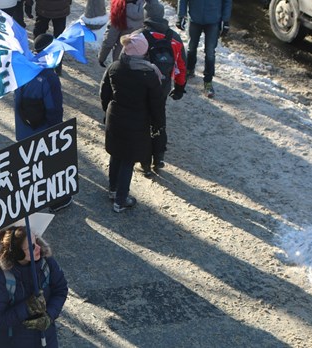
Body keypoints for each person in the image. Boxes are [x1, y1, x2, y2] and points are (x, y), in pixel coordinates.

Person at [99, 33, 165, 212]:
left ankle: (113, 190)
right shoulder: (149, 74)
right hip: (136, 122)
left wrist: (107, 110)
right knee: (127, 160)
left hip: (115, 118)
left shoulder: (115, 67)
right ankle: (121, 200)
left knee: (116, 154)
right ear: (142, 52)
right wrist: (158, 123)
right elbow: (157, 104)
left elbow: (104, 92)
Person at [14, 34, 72, 213]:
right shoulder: (49, 77)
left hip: (23, 129)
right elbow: (54, 110)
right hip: (42, 131)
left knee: (28, 164)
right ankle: (56, 200)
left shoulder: (25, 65)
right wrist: (58, 133)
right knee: (49, 166)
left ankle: (28, 195)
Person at [0, 226, 68, 347]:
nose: (39, 247)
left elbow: (61, 290)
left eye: (37, 241)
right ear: (17, 253)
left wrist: (49, 315)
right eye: (32, 247)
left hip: (46, 340)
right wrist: (27, 308)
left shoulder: (47, 263)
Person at [137, 0, 187, 176]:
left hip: (142, 88)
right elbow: (181, 64)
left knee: (143, 122)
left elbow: (126, 61)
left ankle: (144, 163)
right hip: (162, 88)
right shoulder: (174, 37)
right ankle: (158, 158)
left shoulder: (139, 36)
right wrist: (180, 86)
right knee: (159, 120)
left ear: (146, 16)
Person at [176, 0, 232, 98]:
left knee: (210, 52)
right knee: (191, 47)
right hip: (194, 19)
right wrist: (181, 16)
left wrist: (225, 20)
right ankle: (189, 69)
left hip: (214, 21)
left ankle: (208, 81)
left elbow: (227, 1)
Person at [24, 0, 72, 75]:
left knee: (39, 35)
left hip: (43, 8)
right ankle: (58, 64)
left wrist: (28, 4)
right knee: (59, 38)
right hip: (61, 8)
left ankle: (38, 61)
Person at [98, 0, 144, 67]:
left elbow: (109, 39)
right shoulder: (146, 7)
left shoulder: (119, 9)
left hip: (120, 56)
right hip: (138, 56)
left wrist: (101, 58)